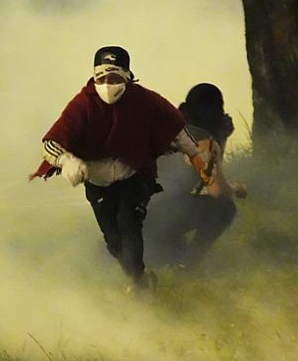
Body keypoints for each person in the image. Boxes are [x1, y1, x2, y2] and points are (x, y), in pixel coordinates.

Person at [31, 46, 212, 292]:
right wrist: (67, 161)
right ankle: (139, 277)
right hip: (97, 181)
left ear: (128, 76)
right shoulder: (83, 105)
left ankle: (138, 286)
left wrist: (197, 158)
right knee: (113, 241)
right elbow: (51, 143)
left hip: (134, 176)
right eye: (101, 78)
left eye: (115, 77)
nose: (107, 84)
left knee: (130, 228)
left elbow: (176, 130)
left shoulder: (145, 101)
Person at [144, 83, 246, 270]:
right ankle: (189, 268)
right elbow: (216, 190)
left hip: (139, 217)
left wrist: (219, 140)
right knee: (225, 208)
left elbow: (203, 179)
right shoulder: (200, 139)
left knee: (169, 255)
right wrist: (236, 188)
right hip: (158, 219)